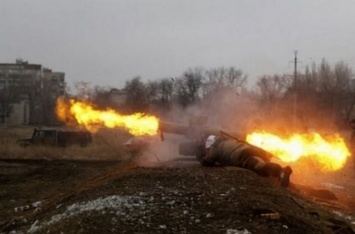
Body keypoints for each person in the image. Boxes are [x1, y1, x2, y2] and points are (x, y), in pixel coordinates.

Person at [198, 135, 293, 188]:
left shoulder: (216, 146)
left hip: (244, 155)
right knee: (262, 169)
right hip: (252, 150)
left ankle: (282, 171)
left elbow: (209, 160)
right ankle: (279, 175)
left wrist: (202, 159)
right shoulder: (228, 141)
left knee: (258, 166)